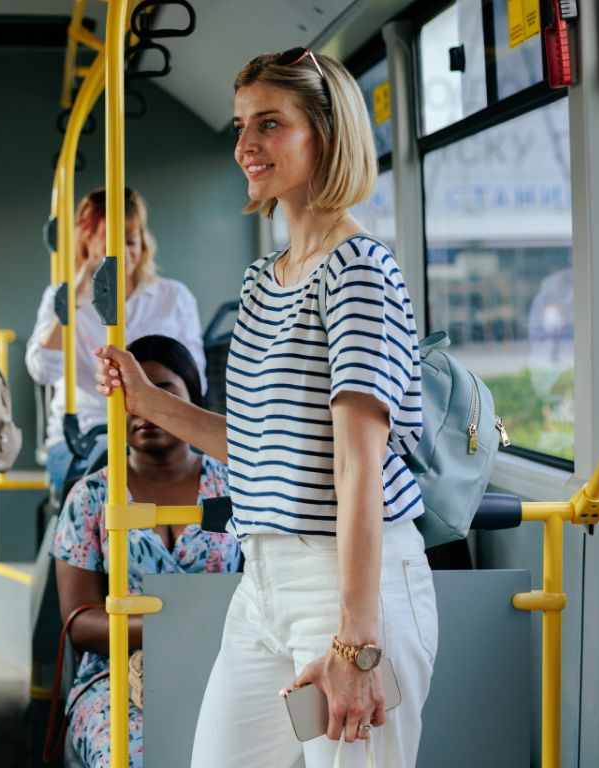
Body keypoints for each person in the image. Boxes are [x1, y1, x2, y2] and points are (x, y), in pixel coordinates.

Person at [94, 49, 436, 767]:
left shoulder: (359, 274)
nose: (246, 145)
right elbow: (256, 441)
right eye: (240, 125)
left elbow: (358, 470)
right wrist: (149, 399)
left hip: (345, 587)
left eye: (271, 124)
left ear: (327, 134)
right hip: (263, 582)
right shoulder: (264, 280)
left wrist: (356, 641)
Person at [52, 334, 241, 768]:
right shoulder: (91, 497)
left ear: (193, 399)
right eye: (133, 395)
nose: (144, 409)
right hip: (115, 675)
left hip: (224, 668)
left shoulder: (237, 485)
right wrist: (181, 625)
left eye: (162, 393)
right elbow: (79, 622)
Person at [26, 187, 206, 495]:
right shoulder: (63, 298)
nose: (123, 253)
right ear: (88, 246)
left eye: (130, 241)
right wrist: (76, 292)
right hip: (87, 433)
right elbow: (42, 370)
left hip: (159, 430)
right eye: (111, 243)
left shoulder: (173, 298)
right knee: (110, 486)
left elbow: (195, 380)